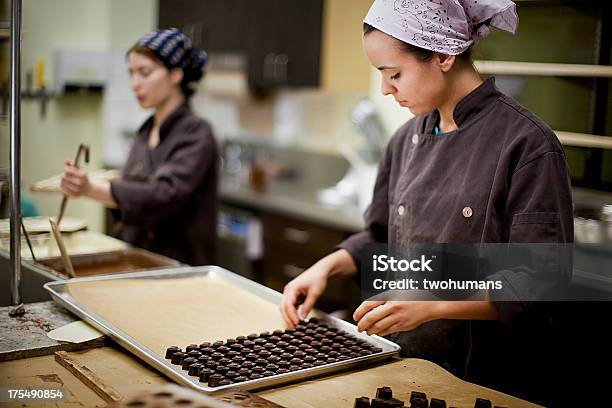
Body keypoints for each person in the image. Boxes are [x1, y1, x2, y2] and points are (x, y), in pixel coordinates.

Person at [280, 0, 573, 404]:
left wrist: (430, 302)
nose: (386, 88)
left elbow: (539, 281)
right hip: (402, 362)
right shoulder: (404, 141)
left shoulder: (527, 144)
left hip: (481, 379)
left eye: (394, 73)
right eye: (381, 76)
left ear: (443, 54)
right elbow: (382, 238)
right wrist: (325, 267)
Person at [61, 28, 218, 265]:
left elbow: (164, 196)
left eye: (144, 73)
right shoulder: (145, 131)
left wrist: (92, 188)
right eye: (132, 74)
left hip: (180, 271)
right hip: (139, 262)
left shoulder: (196, 132)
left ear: (175, 75)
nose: (135, 84)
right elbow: (134, 194)